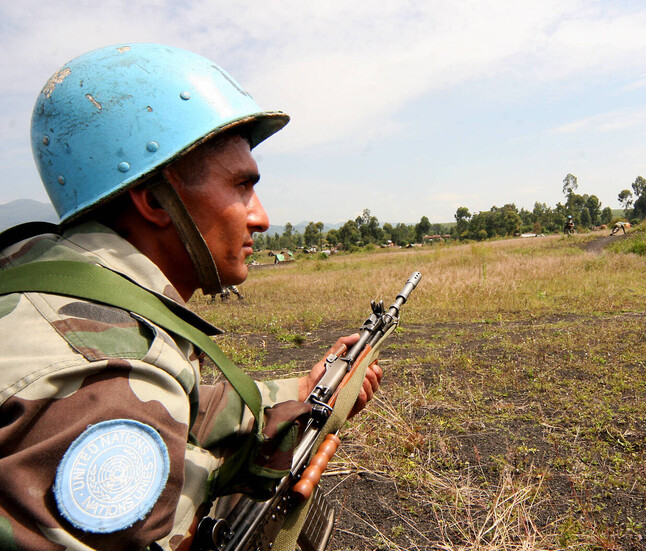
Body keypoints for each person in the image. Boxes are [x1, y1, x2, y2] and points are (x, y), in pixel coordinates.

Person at [0, 44, 382, 550]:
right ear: (156, 200)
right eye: (242, 186)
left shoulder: (62, 287)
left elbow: (184, 405)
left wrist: (302, 390)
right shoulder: (107, 369)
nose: (261, 217)